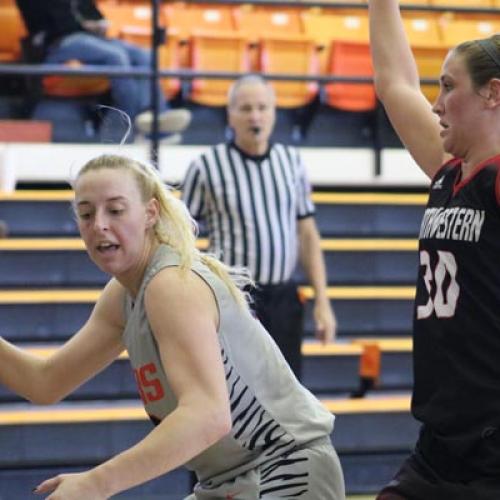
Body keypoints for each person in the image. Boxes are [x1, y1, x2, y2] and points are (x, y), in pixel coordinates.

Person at [0, 153, 345, 499]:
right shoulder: (122, 294)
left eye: (116, 210)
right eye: (86, 214)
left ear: (150, 213)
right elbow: (44, 383)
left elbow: (208, 415)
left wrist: (96, 483)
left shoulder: (170, 284)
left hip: (284, 468)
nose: (99, 225)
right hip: (227, 479)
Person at [369, 2, 500, 499]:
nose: (437, 102)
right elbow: (394, 84)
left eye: (449, 86)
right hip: (441, 442)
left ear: (493, 93)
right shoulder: (450, 172)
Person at [181, 75, 337, 380]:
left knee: (288, 390)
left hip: (283, 298)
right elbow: (181, 234)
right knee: (238, 390)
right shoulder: (206, 166)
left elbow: (307, 234)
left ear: (274, 112)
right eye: (246, 108)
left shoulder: (291, 161)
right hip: (233, 298)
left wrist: (323, 301)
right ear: (230, 114)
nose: (255, 116)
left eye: (263, 107)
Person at [15, 0, 191, 140]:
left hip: (91, 39)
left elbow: (94, 15)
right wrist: (85, 26)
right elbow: (56, 25)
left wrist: (100, 24)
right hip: (59, 43)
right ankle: (134, 119)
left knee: (143, 55)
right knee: (116, 57)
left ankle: (156, 114)